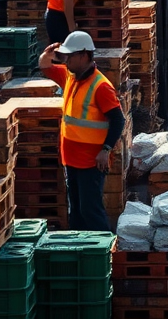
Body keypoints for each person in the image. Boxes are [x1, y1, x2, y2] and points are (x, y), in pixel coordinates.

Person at [39, 31, 125, 231]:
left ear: (84, 56)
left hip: (91, 161)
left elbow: (118, 119)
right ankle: (80, 253)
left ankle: (104, 252)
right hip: (71, 158)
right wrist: (50, 53)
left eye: (70, 56)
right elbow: (45, 66)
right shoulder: (70, 76)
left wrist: (106, 150)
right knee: (76, 211)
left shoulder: (101, 86)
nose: (66, 60)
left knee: (90, 210)